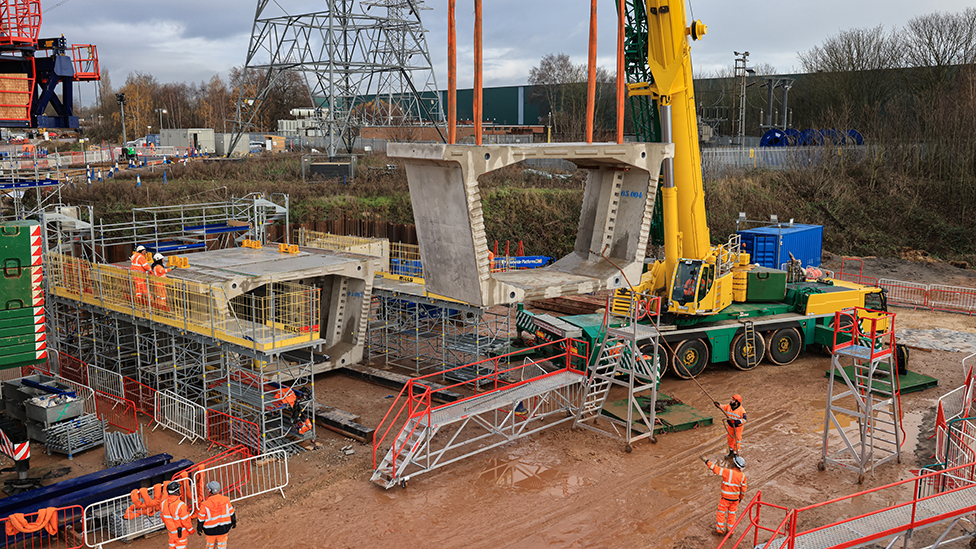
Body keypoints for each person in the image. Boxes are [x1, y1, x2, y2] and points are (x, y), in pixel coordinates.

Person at [700, 454, 747, 536]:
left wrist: (706, 461)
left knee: (721, 513)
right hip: (735, 500)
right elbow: (743, 490)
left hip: (725, 499)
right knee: (732, 515)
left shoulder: (728, 472)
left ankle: (720, 531)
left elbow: (715, 469)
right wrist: (740, 498)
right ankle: (730, 531)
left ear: (735, 464)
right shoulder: (743, 477)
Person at [197, 481, 236, 549]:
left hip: (210, 531)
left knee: (210, 546)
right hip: (224, 529)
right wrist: (234, 522)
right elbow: (232, 513)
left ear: (209, 491)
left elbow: (200, 519)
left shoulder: (205, 504)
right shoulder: (226, 500)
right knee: (222, 546)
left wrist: (199, 528)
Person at [160, 481, 194, 549]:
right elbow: (185, 521)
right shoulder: (181, 505)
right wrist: (191, 529)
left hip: (171, 532)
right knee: (181, 546)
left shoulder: (163, 503)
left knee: (172, 546)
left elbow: (163, 517)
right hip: (180, 533)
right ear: (177, 491)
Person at [714, 394, 747, 458]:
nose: (731, 400)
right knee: (730, 440)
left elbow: (744, 420)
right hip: (730, 427)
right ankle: (731, 452)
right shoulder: (729, 406)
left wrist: (736, 422)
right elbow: (723, 407)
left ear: (737, 402)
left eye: (733, 400)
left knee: (737, 441)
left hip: (738, 428)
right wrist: (718, 405)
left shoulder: (741, 410)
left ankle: (736, 454)